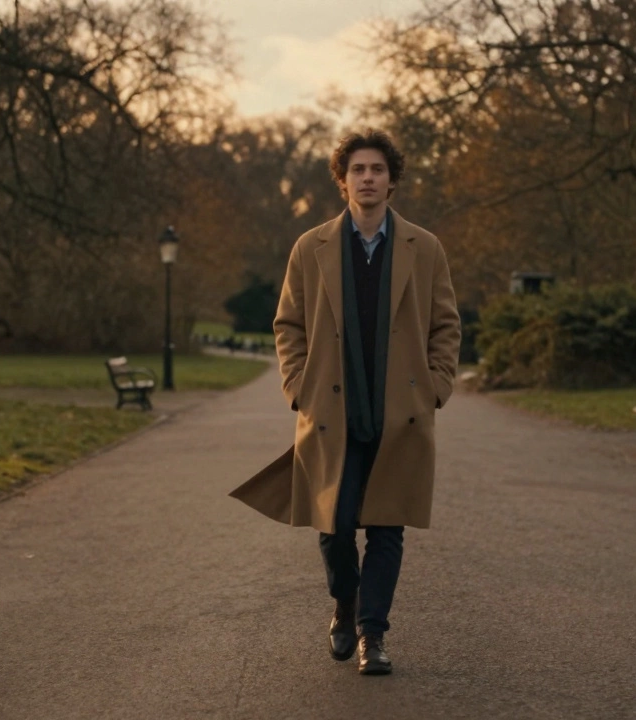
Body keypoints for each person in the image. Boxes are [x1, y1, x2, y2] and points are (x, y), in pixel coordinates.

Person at [229, 129, 461, 675]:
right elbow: (288, 324)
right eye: (358, 169)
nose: (368, 178)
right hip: (332, 414)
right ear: (343, 180)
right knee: (333, 526)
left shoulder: (425, 247)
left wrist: (435, 387)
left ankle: (372, 635)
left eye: (377, 169)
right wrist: (298, 387)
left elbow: (446, 325)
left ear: (392, 180)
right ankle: (346, 604)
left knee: (387, 527)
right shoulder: (310, 247)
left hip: (399, 415)